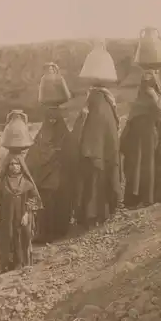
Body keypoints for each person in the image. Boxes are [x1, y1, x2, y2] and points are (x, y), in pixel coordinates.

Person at [120, 68, 161, 209]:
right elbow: (133, 116)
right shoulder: (141, 95)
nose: (146, 81)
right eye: (144, 78)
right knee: (136, 167)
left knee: (148, 166)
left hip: (150, 136)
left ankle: (148, 198)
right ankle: (135, 199)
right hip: (137, 138)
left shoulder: (156, 96)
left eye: (149, 77)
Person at [71, 83, 121, 228]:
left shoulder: (92, 105)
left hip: (91, 154)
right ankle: (102, 215)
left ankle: (89, 217)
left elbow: (80, 130)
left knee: (91, 184)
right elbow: (112, 132)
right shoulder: (108, 105)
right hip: (103, 155)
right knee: (101, 183)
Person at [25, 106, 74, 242]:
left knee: (57, 203)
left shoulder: (65, 136)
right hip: (46, 180)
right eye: (49, 119)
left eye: (54, 119)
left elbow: (71, 156)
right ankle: (46, 234)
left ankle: (58, 230)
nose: (52, 121)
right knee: (46, 205)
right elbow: (32, 156)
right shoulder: (41, 136)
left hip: (58, 179)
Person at [0, 150, 42, 273]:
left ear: (21, 166)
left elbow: (34, 199)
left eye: (17, 164)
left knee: (21, 237)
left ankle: (22, 263)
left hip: (22, 217)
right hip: (5, 218)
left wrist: (27, 214)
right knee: (7, 237)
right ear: (7, 166)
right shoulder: (3, 183)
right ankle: (6, 265)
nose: (14, 167)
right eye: (11, 164)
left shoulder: (27, 183)